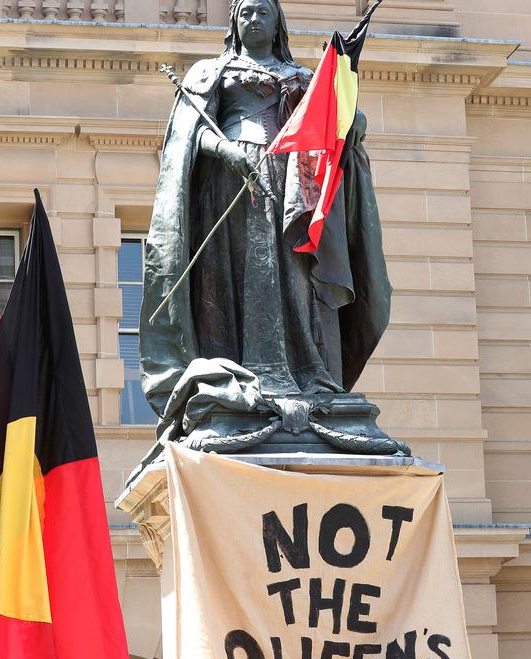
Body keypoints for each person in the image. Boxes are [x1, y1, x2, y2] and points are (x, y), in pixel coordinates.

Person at [139, 0, 391, 439]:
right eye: (245, 13)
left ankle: (304, 374)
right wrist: (225, 151)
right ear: (234, 23)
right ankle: (234, 373)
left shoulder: (306, 79)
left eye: (263, 12)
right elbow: (187, 136)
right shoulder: (209, 73)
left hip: (292, 188)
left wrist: (350, 116)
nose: (253, 19)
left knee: (295, 279)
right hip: (230, 186)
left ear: (278, 22)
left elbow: (338, 125)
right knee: (229, 278)